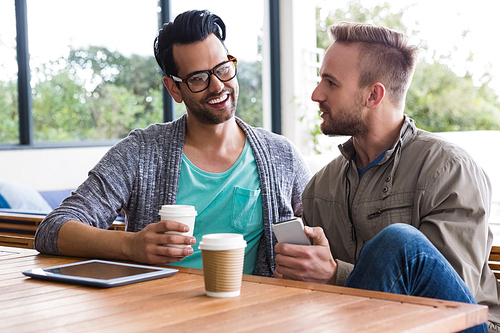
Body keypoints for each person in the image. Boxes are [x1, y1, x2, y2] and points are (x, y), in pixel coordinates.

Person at [34, 9, 310, 277]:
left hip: (254, 316)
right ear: (173, 88)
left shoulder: (281, 155)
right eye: (198, 78)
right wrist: (130, 246)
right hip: (159, 315)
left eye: (223, 68)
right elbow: (52, 230)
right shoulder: (141, 152)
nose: (217, 86)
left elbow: (325, 238)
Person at [273, 22, 499, 332]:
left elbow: (451, 305)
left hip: (461, 325)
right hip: (355, 325)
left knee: (398, 241)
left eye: (331, 82)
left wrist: (335, 275)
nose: (316, 94)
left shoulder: (448, 170)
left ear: (373, 95)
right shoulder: (320, 187)